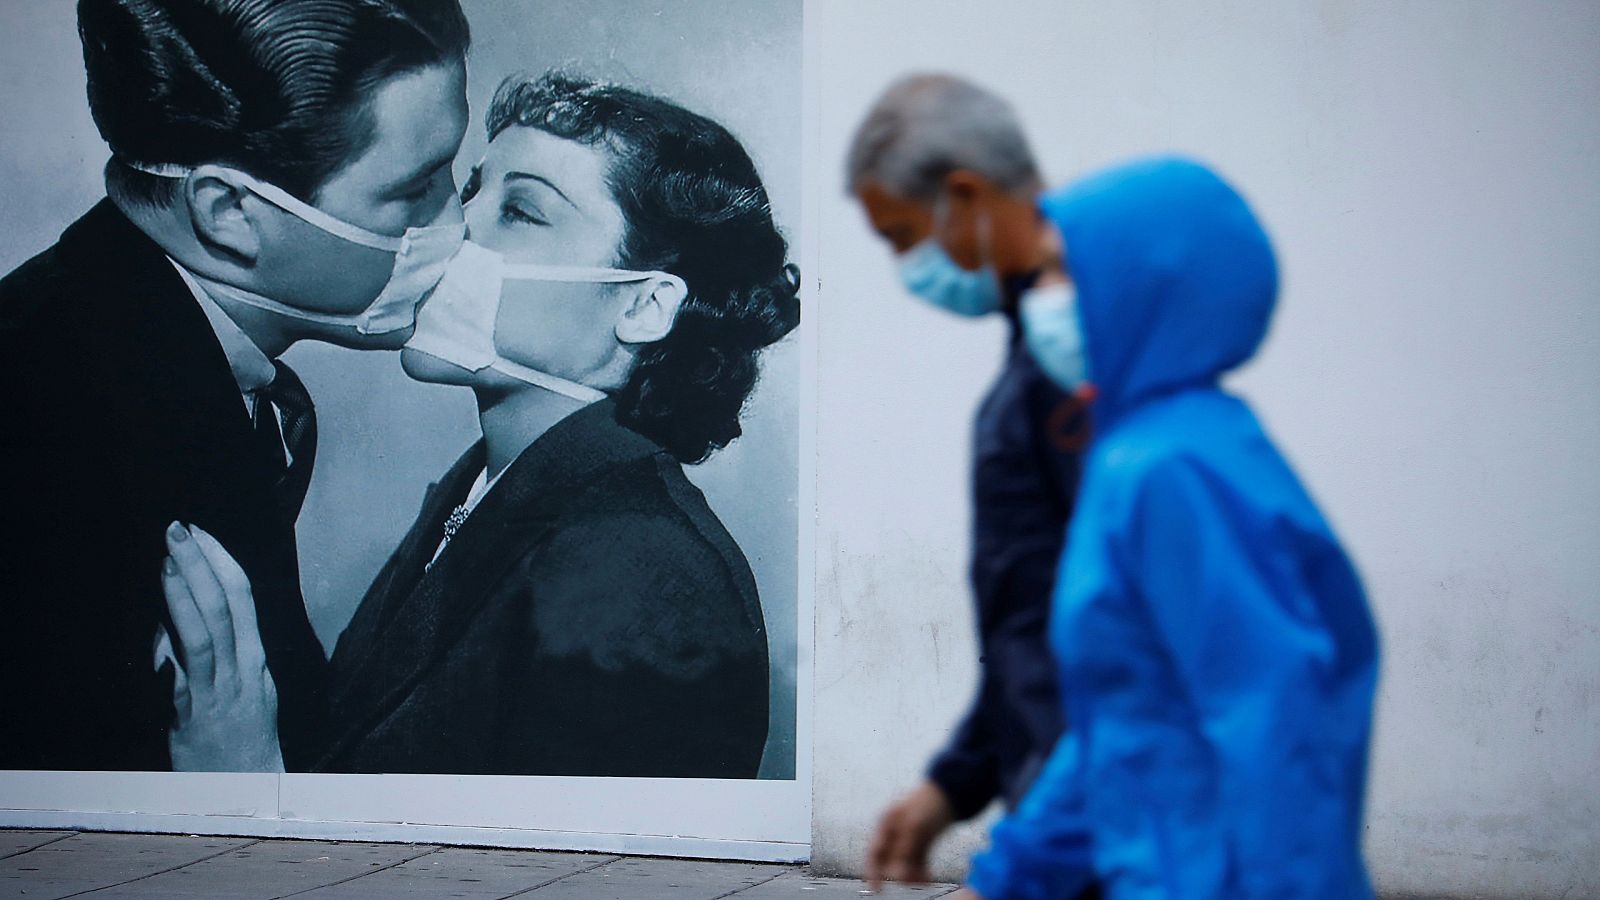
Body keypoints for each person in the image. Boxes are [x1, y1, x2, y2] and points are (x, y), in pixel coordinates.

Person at [160, 71, 799, 777]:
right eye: (471, 193)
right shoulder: (484, 492)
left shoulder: (646, 570)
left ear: (645, 306)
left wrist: (247, 783)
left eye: (522, 212)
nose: (454, 228)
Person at [0, 0, 471, 772]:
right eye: (417, 190)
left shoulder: (134, 336)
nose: (458, 219)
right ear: (228, 212)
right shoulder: (43, 425)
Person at [956, 158, 1380, 898]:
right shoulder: (1150, 450)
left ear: (1143, 288)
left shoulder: (1171, 469)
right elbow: (1119, 719)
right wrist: (1012, 872)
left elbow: (1275, 727)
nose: (1038, 301)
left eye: (1059, 274)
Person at [844, 74, 1093, 891]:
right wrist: (955, 786)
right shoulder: (1047, 353)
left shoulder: (1075, 367)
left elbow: (1124, 637)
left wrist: (1041, 856)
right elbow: (1034, 613)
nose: (908, 268)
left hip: (1095, 820)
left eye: (904, 236)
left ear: (964, 196)